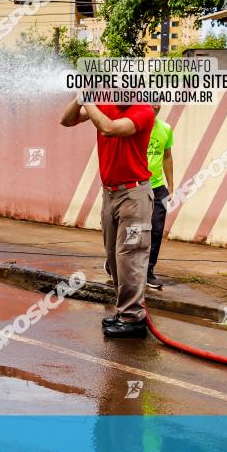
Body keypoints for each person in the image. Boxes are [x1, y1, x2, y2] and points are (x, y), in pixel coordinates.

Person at [61, 98, 155, 338]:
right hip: (110, 193)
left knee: (130, 257)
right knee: (114, 257)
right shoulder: (104, 104)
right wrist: (79, 97)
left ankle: (133, 318)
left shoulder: (143, 110)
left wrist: (89, 100)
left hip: (134, 195)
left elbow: (110, 129)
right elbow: (66, 121)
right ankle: (124, 311)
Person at [146, 104, 173, 289]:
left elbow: (167, 156)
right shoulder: (132, 126)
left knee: (156, 230)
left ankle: (148, 271)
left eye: (158, 101)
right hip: (136, 187)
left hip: (158, 188)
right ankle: (116, 262)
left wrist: (170, 185)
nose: (155, 105)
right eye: (150, 100)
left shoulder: (165, 128)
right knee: (133, 230)